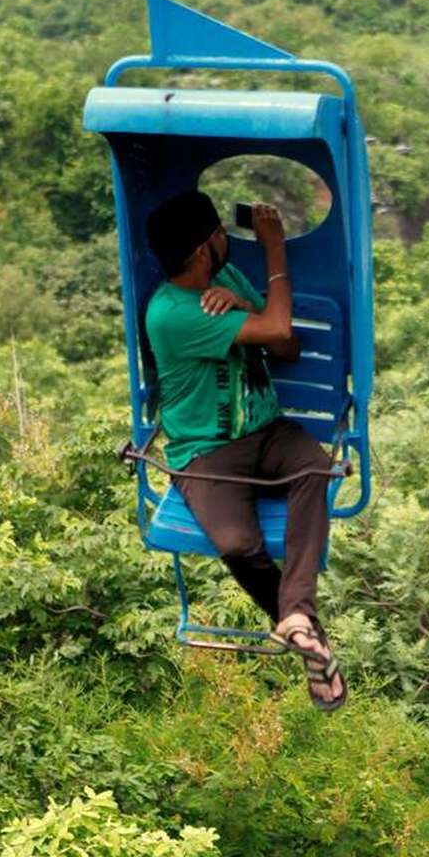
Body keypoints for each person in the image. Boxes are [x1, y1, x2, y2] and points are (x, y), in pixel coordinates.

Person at [143, 189, 346, 709]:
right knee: (237, 545)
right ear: (201, 250)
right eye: (219, 234)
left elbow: (285, 344)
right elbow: (277, 326)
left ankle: (296, 617)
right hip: (206, 453)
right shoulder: (171, 313)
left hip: (266, 430)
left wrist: (244, 304)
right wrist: (274, 247)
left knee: (316, 470)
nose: (225, 240)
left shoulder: (225, 280)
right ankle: (307, 633)